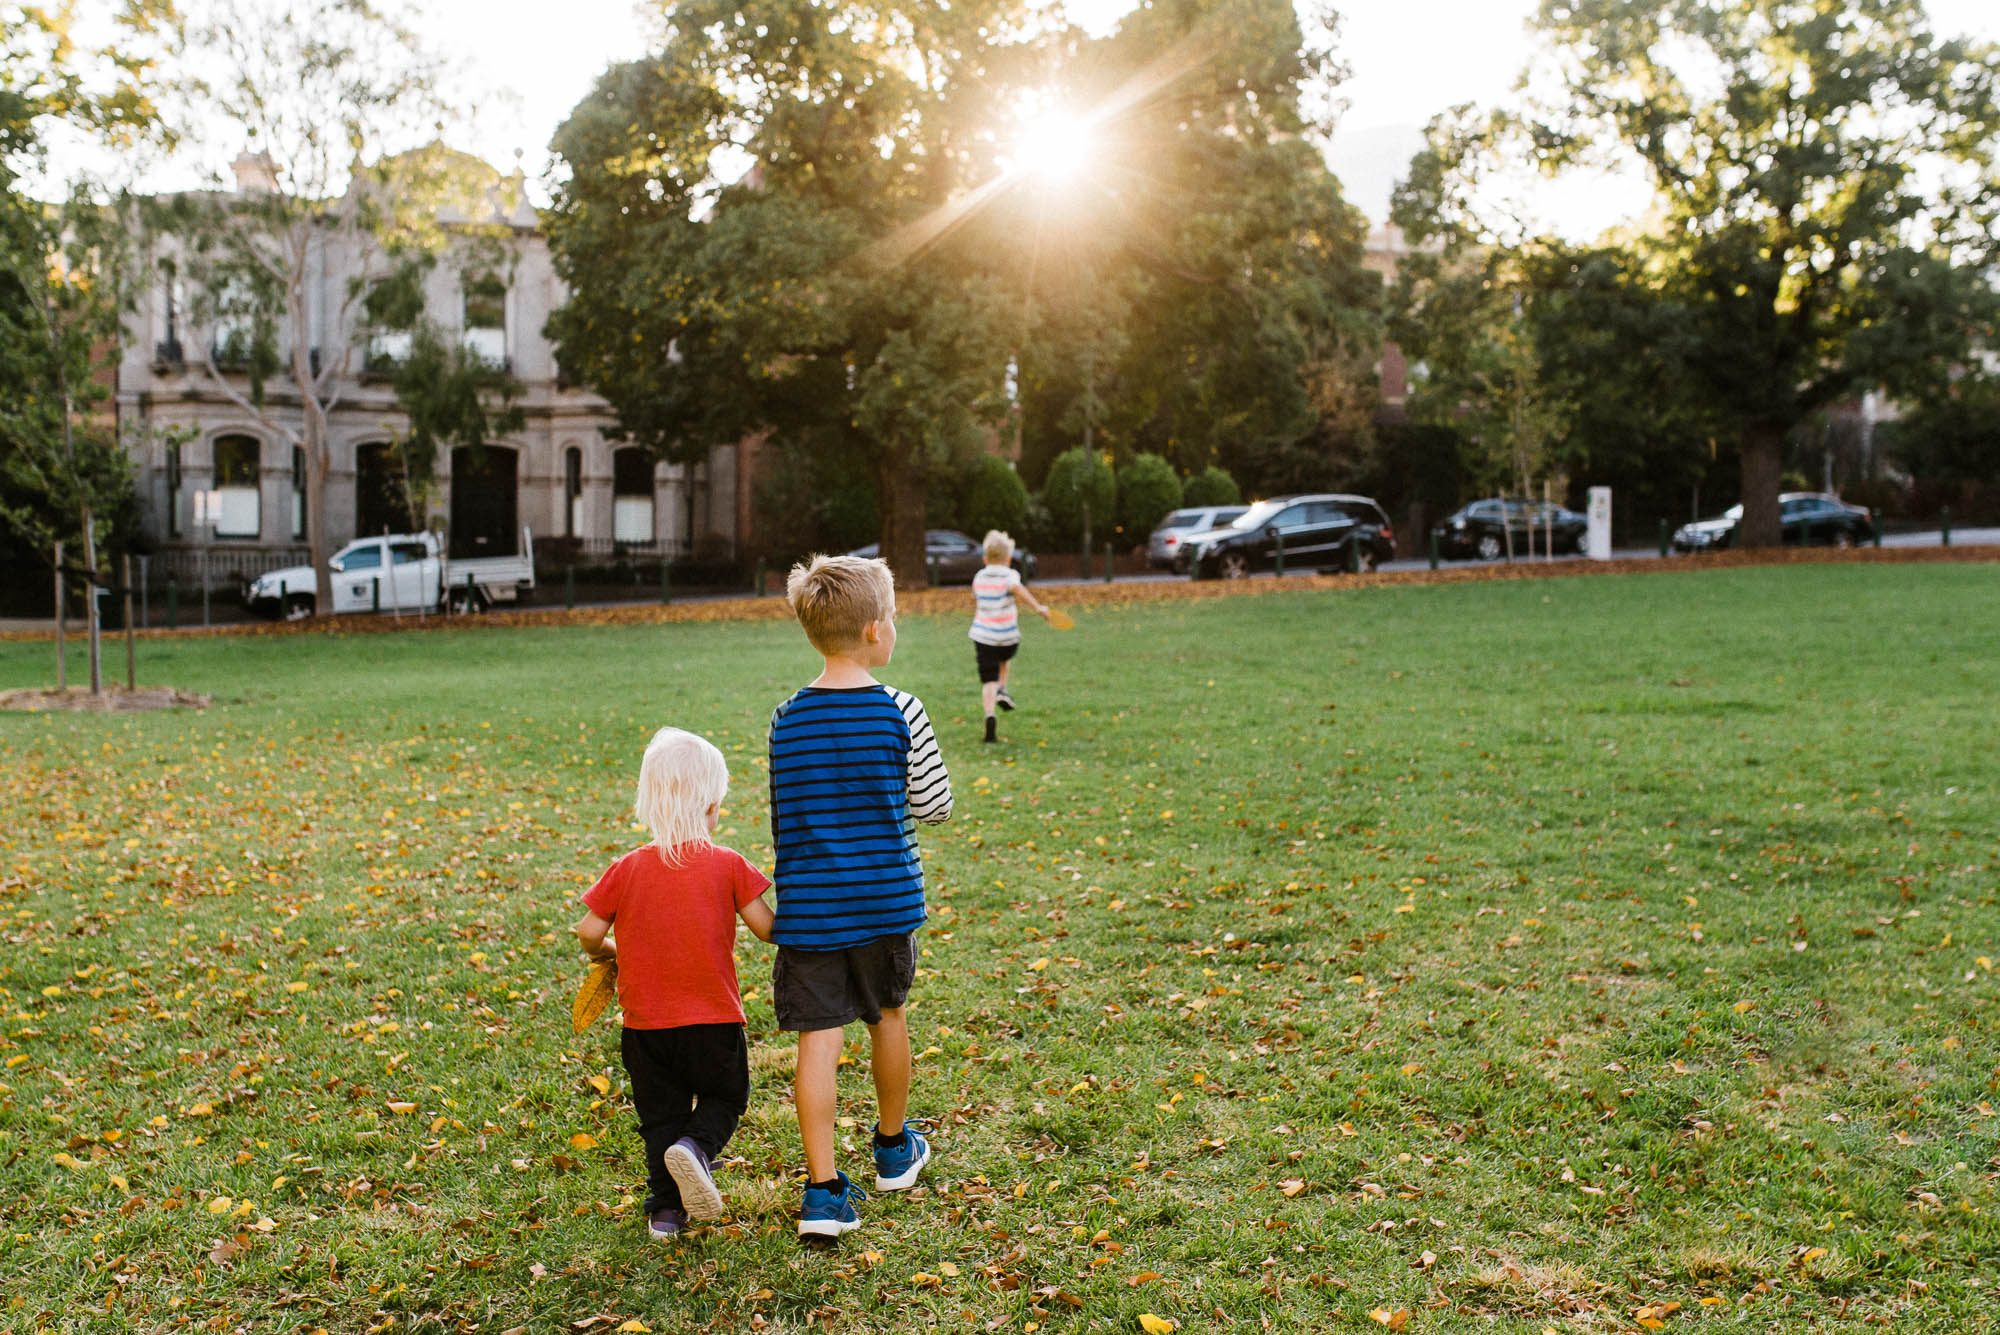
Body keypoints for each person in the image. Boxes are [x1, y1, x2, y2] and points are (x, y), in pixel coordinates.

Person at [770, 554, 953, 1238]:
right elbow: (933, 804)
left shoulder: (786, 719)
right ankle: (892, 1145)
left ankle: (822, 1192)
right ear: (876, 630)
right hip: (884, 904)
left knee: (817, 1044)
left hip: (812, 909)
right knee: (888, 1017)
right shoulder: (902, 709)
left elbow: (785, 815)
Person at [572, 727, 775, 1241]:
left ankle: (665, 1213)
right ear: (712, 806)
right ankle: (697, 1149)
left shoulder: (628, 868)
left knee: (659, 1118)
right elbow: (770, 929)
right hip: (713, 1019)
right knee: (725, 1097)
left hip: (646, 1027)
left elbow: (588, 932)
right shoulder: (728, 865)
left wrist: (610, 952)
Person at [967, 530, 1051, 744]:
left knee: (988, 679)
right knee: (1004, 662)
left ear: (985, 558)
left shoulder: (979, 577)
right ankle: (1002, 689)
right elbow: (1019, 590)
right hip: (1006, 636)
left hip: (983, 636)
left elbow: (973, 595)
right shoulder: (1010, 576)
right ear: (1008, 558)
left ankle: (989, 713)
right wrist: (1038, 608)